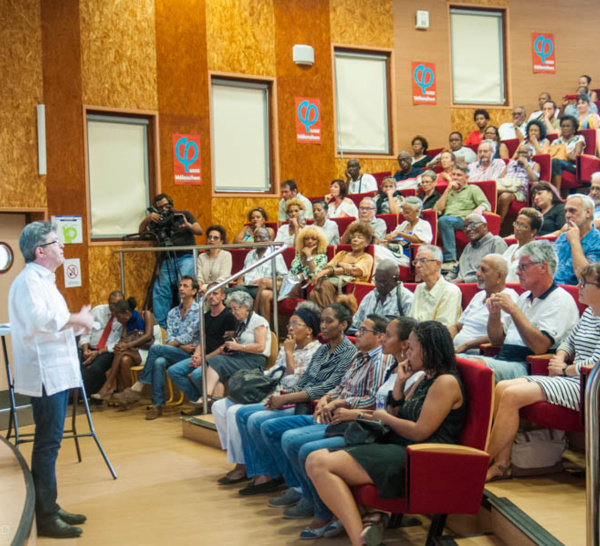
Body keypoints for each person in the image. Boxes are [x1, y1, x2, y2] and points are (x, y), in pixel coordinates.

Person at [306, 321, 466, 546]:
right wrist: (400, 382)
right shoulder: (424, 377)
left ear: (428, 350)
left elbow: (420, 432)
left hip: (421, 457)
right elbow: (395, 410)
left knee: (320, 464)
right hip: (400, 447)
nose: (407, 353)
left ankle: (360, 536)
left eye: (411, 348)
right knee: (314, 459)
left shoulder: (445, 382)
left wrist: (384, 418)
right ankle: (365, 525)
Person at [261, 315, 392, 538]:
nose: (357, 334)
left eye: (363, 330)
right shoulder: (359, 357)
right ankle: (307, 494)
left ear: (380, 337)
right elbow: (339, 386)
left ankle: (324, 511)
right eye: (358, 329)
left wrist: (340, 402)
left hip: (355, 423)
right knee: (276, 431)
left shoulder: (380, 361)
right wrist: (327, 398)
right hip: (334, 414)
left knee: (300, 445)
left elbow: (374, 400)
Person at [8, 221, 94, 538]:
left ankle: (51, 505)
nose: (63, 246)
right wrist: (76, 319)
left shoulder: (45, 279)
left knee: (52, 445)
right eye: (56, 242)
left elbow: (52, 325)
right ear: (40, 251)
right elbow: (41, 321)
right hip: (44, 375)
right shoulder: (30, 281)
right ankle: (44, 516)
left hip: (55, 373)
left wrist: (77, 325)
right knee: (47, 446)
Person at [486, 262, 600, 482]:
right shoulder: (589, 314)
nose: (579, 286)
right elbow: (568, 342)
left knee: (512, 395)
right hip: (571, 378)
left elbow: (596, 363)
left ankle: (485, 461)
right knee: (502, 387)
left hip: (589, 386)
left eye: (585, 283)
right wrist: (559, 357)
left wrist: (566, 369)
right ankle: (502, 463)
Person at [234, 300, 358, 495]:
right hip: (300, 399)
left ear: (343, 325)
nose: (323, 326)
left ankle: (292, 484)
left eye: (329, 321)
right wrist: (285, 396)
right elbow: (305, 380)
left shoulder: (349, 352)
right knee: (243, 413)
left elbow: (327, 386)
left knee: (261, 422)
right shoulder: (324, 350)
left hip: (314, 406)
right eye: (322, 321)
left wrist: (285, 399)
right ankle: (267, 473)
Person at [212, 303, 322, 486]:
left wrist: (288, 353)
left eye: (295, 324)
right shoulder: (289, 345)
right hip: (271, 390)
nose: (290, 328)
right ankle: (243, 460)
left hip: (289, 398)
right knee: (219, 406)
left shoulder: (315, 351)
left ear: (309, 330)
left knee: (235, 412)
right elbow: (274, 373)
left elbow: (295, 383)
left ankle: (246, 466)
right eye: (290, 324)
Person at [474, 241, 579, 382]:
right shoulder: (524, 297)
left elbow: (539, 347)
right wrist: (494, 314)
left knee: (473, 366)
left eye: (523, 266)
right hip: (502, 360)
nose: (517, 272)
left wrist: (513, 310)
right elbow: (497, 341)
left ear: (543, 267)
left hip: (525, 366)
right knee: (453, 360)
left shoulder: (560, 300)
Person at [112, 277, 199, 418]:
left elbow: (189, 336)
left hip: (193, 353)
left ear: (194, 291)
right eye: (180, 285)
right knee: (159, 362)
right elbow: (170, 337)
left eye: (186, 286)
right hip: (178, 351)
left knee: (155, 349)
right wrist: (180, 346)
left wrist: (178, 345)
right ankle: (157, 406)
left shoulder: (199, 311)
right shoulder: (173, 313)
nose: (181, 288)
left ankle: (138, 387)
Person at [192, 290, 271, 408]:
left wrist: (238, 347)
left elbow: (260, 347)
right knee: (217, 371)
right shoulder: (240, 322)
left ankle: (205, 397)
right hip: (241, 357)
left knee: (217, 361)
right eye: (231, 309)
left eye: (235, 309)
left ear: (246, 307)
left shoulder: (258, 321)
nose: (233, 312)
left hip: (255, 360)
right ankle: (214, 405)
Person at [166, 285, 237, 413]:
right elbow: (202, 339)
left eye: (215, 294)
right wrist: (197, 355)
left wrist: (204, 358)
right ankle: (200, 403)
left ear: (223, 296)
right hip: (204, 355)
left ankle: (206, 402)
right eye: (209, 294)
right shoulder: (205, 316)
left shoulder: (229, 316)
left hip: (219, 358)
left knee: (197, 375)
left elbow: (226, 346)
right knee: (173, 371)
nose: (211, 297)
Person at [139, 193, 203, 328]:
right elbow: (141, 233)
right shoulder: (157, 221)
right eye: (160, 207)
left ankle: (186, 322)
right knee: (160, 287)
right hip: (167, 259)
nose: (164, 209)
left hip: (186, 257)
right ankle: (162, 327)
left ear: (171, 204)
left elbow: (199, 231)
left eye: (166, 205)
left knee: (184, 286)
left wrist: (188, 226)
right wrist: (147, 220)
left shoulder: (182, 215)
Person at [256, 226, 327, 322]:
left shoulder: (322, 257)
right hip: (290, 284)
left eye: (313, 239)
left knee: (264, 282)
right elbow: (291, 273)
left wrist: (309, 256)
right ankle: (268, 330)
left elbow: (315, 274)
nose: (309, 241)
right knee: (265, 294)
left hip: (302, 289)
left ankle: (253, 315)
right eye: (307, 239)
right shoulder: (299, 256)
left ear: (319, 241)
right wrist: (281, 279)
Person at [90, 297, 154, 403]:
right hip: (136, 351)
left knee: (123, 351)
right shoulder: (125, 322)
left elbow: (148, 336)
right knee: (124, 358)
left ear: (128, 313)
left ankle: (108, 386)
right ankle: (128, 394)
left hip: (152, 351)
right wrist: (119, 345)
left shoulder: (145, 314)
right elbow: (123, 339)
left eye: (119, 317)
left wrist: (127, 345)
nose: (118, 320)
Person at [450, 254, 518, 354]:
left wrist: (466, 345)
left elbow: (501, 337)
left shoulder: (508, 298)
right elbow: (457, 326)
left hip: (478, 353)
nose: (477, 273)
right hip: (457, 351)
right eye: (478, 268)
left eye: (483, 270)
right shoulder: (479, 295)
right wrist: (446, 342)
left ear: (499, 276)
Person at [435, 163, 491, 266]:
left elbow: (486, 204)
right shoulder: (449, 192)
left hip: (463, 220)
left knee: (444, 221)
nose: (455, 178)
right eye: (454, 175)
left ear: (466, 178)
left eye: (459, 175)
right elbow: (437, 210)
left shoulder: (472, 189)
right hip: (447, 220)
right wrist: (447, 190)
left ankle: (450, 260)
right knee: (440, 221)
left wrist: (479, 209)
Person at [309, 222, 374, 308]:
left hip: (350, 289)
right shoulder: (342, 254)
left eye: (359, 237)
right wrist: (341, 263)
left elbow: (354, 270)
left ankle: (331, 315)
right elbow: (327, 267)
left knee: (325, 285)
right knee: (313, 294)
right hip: (333, 287)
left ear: (367, 242)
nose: (355, 240)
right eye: (353, 237)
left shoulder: (366, 257)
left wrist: (330, 271)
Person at [79, 291, 123, 401]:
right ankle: (84, 395)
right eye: (111, 303)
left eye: (117, 304)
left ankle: (91, 397)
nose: (114, 307)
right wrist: (86, 349)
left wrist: (98, 352)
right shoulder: (97, 311)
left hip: (108, 351)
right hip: (90, 348)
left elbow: (120, 342)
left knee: (94, 369)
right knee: (75, 365)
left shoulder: (124, 315)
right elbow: (86, 331)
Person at [409, 245, 462, 327]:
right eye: (416, 261)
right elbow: (411, 319)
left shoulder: (451, 291)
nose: (417, 265)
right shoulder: (419, 288)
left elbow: (443, 327)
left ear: (437, 264)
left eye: (423, 260)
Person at [445, 214, 508, 283]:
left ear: (484, 226)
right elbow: (455, 269)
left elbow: (496, 274)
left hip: (477, 287)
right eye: (465, 227)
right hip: (457, 285)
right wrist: (447, 279)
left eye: (472, 224)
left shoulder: (496, 242)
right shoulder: (469, 246)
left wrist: (464, 281)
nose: (468, 229)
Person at [351, 260, 414, 329]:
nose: (378, 285)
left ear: (395, 279)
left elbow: (409, 332)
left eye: (382, 281)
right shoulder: (370, 296)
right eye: (376, 280)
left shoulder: (407, 299)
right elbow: (355, 324)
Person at [554, 194, 600, 286]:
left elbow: (585, 279)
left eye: (572, 211)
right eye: (566, 211)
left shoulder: (597, 241)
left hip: (577, 294)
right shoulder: (562, 237)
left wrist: (574, 241)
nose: (567, 215)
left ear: (588, 212)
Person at [235, 227, 288, 299]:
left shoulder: (275, 254)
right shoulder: (250, 254)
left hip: (262, 288)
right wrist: (240, 280)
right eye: (255, 237)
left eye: (261, 237)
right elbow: (243, 274)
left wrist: (263, 281)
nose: (258, 240)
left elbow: (283, 277)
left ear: (268, 239)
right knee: (227, 292)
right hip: (246, 287)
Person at [378, 196, 433, 267]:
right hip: (395, 254)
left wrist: (400, 233)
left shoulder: (424, 224)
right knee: (376, 251)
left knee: (376, 251)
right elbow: (392, 235)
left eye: (407, 212)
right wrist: (388, 238)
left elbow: (418, 240)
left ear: (417, 211)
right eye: (403, 212)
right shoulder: (404, 224)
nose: (404, 215)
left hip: (408, 258)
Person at [496, 143, 541, 225]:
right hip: (505, 187)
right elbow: (501, 177)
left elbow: (534, 179)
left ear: (531, 155)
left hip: (521, 192)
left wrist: (525, 163)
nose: (521, 155)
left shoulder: (534, 164)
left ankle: (498, 225)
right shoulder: (511, 163)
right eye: (519, 153)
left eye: (524, 153)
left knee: (505, 196)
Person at [503, 208, 544, 282]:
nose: (517, 228)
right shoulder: (511, 248)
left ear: (533, 231)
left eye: (523, 226)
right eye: (516, 223)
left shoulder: (535, 253)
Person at [550, 115, 586, 192]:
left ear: (574, 128)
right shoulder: (556, 141)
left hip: (573, 167)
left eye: (568, 126)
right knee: (553, 162)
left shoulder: (579, 138)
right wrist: (567, 155)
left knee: (556, 161)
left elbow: (575, 157)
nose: (565, 128)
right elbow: (550, 157)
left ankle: (556, 192)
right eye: (563, 126)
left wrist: (561, 154)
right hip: (558, 164)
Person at [197, 225, 232, 295]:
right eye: (210, 237)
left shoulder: (226, 255)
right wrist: (199, 287)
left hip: (220, 290)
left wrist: (207, 288)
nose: (212, 240)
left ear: (221, 241)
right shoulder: (201, 257)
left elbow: (223, 278)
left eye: (215, 238)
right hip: (203, 290)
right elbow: (199, 277)